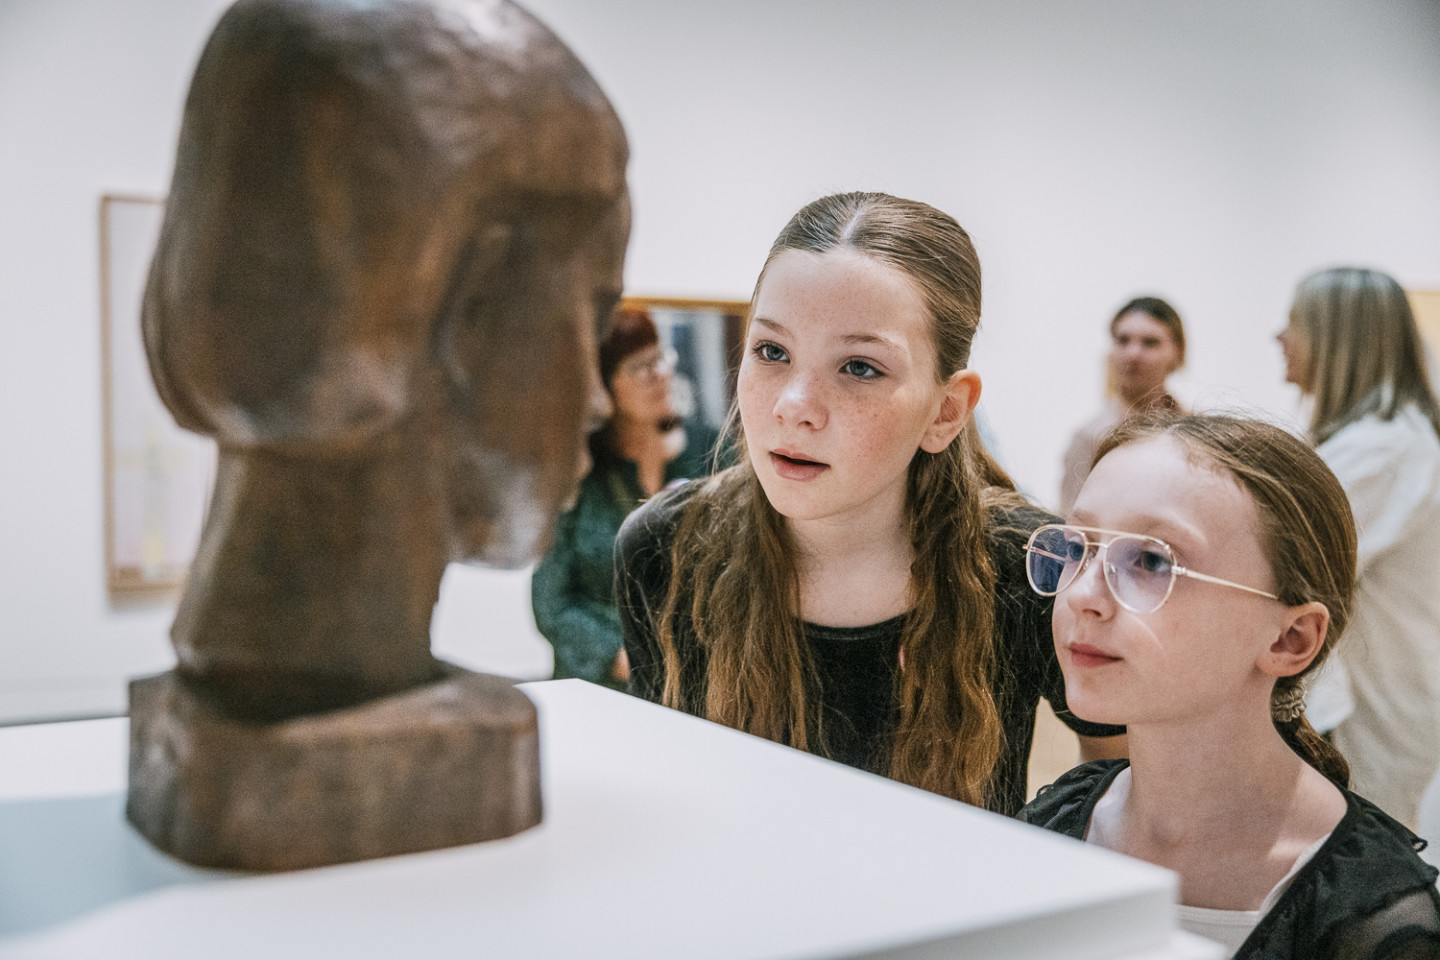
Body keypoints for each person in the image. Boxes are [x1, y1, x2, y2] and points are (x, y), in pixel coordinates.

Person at [617, 191, 1121, 816]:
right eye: (771, 352)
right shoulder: (663, 548)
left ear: (946, 412)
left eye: (858, 367)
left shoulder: (1034, 565)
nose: (793, 405)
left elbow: (1118, 794)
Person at [1020, 413, 1440, 958]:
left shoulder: (1372, 914)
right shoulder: (1060, 819)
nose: (1082, 596)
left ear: (1290, 638)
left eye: (1150, 561)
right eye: (1080, 548)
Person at [1276, 267, 1440, 829]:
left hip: (1383, 708)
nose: (1280, 337)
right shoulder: (1370, 442)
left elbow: (1285, 559)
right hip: (1379, 697)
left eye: (1294, 323)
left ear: (1338, 341)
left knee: (1369, 874)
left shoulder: (1385, 451)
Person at [532, 307, 717, 690]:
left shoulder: (715, 453)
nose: (660, 374)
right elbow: (551, 602)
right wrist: (619, 657)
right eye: (639, 366)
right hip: (598, 692)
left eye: (660, 357)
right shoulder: (578, 476)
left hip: (701, 689)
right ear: (602, 387)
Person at [1058, 296, 1186, 514]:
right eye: (1123, 340)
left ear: (1178, 353)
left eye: (1150, 342)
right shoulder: (1089, 439)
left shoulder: (1198, 435)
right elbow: (1071, 525)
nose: (1133, 354)